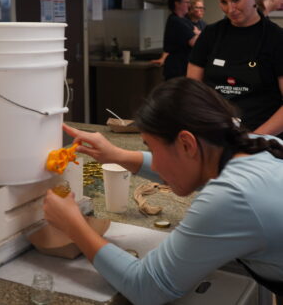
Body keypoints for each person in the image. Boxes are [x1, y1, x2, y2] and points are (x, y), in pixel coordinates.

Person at [44, 77, 283, 305]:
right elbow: (193, 171)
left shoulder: (232, 198)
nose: (155, 164)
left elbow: (147, 287)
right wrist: (118, 155)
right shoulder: (258, 147)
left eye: (154, 151)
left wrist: (74, 225)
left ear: (187, 144)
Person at [187, 0, 283, 137]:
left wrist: (253, 139)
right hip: (215, 139)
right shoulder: (210, 35)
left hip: (262, 142)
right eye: (223, 2)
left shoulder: (276, 38)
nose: (230, 9)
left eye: (236, 0)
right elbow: (192, 92)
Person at [151, 0, 200, 80]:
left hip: (183, 67)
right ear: (177, 4)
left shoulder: (185, 20)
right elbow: (195, 42)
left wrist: (198, 33)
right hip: (177, 70)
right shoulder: (176, 21)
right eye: (186, 2)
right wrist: (198, 33)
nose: (189, 5)